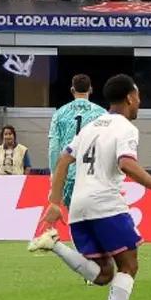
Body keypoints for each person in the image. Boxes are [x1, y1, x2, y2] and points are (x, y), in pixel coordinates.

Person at [30, 74, 151, 300]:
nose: (139, 102)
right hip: (105, 203)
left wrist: (55, 203)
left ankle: (54, 244)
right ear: (129, 97)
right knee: (129, 264)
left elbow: (62, 161)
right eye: (138, 96)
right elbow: (127, 164)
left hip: (79, 207)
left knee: (104, 274)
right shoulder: (125, 128)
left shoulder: (91, 127)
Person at [47, 74, 107, 207]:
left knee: (74, 218)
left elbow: (54, 147)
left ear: (72, 90)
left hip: (68, 175)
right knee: (94, 218)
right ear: (90, 89)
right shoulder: (102, 114)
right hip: (93, 176)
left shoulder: (60, 114)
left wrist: (54, 174)